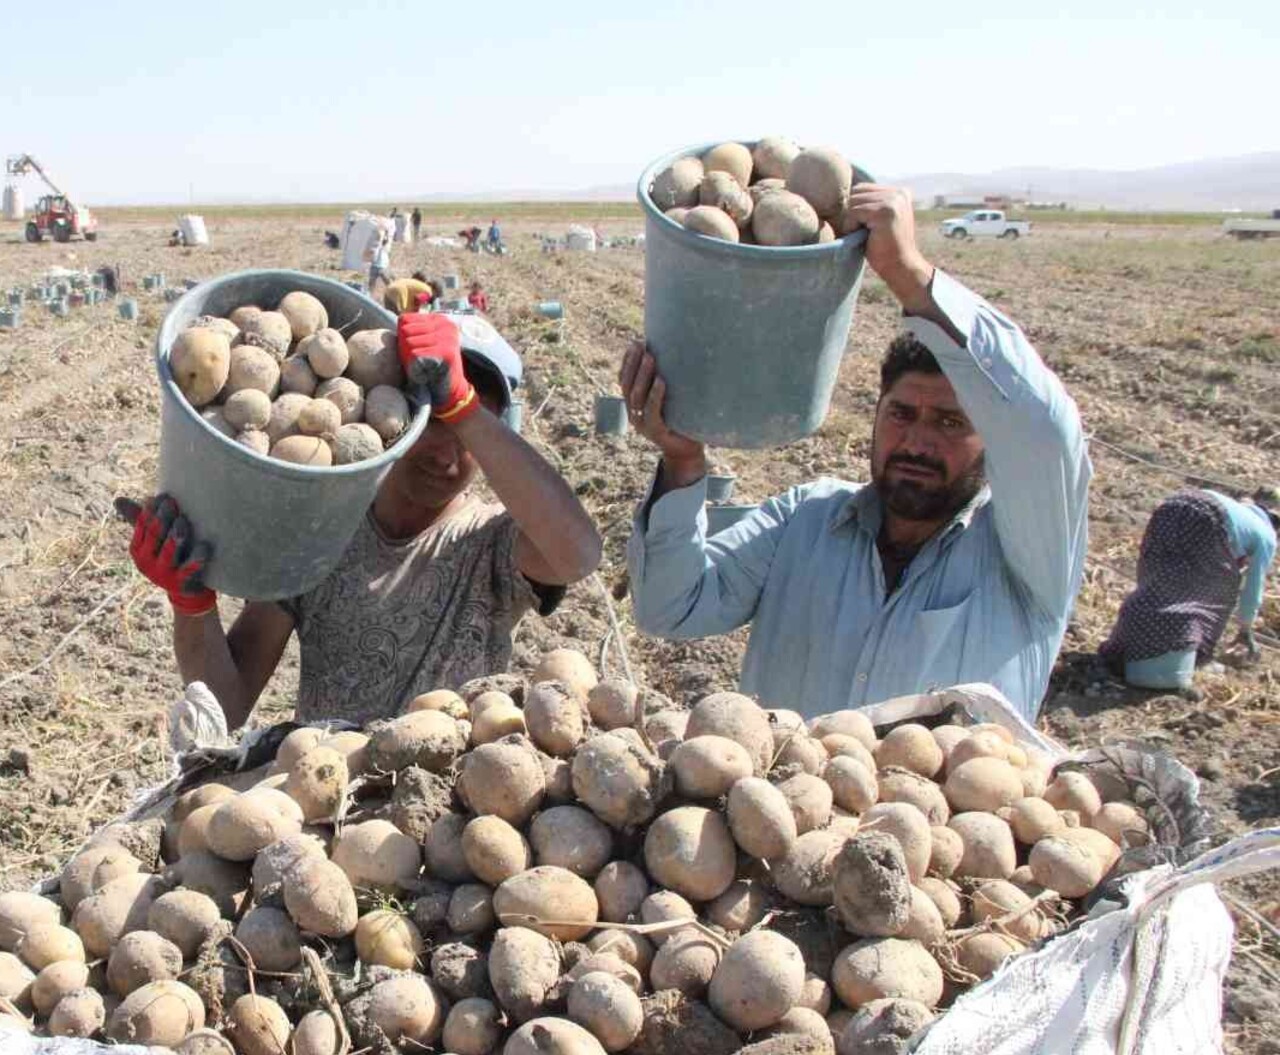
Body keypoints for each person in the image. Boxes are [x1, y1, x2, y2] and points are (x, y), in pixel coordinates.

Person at [622, 184, 1091, 723]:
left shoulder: (1028, 558)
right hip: (788, 803)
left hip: (949, 811)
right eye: (900, 414)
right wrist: (683, 462)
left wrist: (910, 275)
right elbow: (671, 608)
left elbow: (1047, 432)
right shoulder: (806, 519)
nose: (916, 442)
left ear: (994, 439)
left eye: (950, 422)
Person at [127, 314, 602, 728]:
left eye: (470, 427)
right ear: (390, 406)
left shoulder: (494, 543)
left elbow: (579, 554)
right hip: (326, 801)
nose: (447, 453)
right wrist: (192, 605)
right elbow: (226, 707)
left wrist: (464, 408)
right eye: (434, 419)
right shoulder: (320, 533)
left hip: (449, 814)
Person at [1100, 489, 1277, 689]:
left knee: (1155, 587)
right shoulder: (1267, 535)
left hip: (1171, 507)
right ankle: (1178, 655)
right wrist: (1246, 628)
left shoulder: (1239, 511)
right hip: (1208, 520)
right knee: (1210, 593)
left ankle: (1123, 652)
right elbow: (1254, 587)